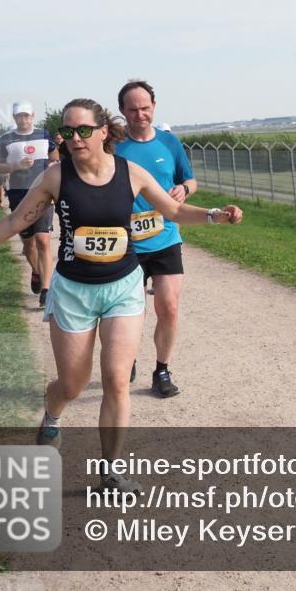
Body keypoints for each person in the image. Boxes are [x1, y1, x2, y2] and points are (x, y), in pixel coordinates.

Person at [0, 98, 243, 493]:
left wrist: (217, 214)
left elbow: (174, 212)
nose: (74, 138)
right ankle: (52, 412)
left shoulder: (130, 173)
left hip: (123, 288)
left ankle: (110, 473)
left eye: (83, 130)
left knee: (116, 381)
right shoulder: (55, 177)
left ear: (103, 132)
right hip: (74, 291)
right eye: (67, 131)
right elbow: (15, 220)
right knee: (72, 385)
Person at [115, 80, 195, 398]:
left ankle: (162, 370)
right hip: (126, 244)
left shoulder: (169, 142)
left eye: (145, 108)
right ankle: (128, 356)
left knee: (169, 307)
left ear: (154, 107)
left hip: (165, 237)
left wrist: (185, 189)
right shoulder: (113, 146)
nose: (140, 114)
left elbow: (188, 178)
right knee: (133, 312)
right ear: (122, 111)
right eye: (132, 109)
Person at [0, 102, 59, 307]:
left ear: (32, 115)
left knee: (43, 240)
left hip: (43, 193)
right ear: (14, 118)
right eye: (19, 116)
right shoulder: (5, 139)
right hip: (18, 194)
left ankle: (47, 290)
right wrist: (16, 165)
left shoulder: (44, 134)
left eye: (27, 115)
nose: (23, 119)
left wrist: (52, 164)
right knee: (29, 243)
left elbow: (54, 155)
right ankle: (37, 272)